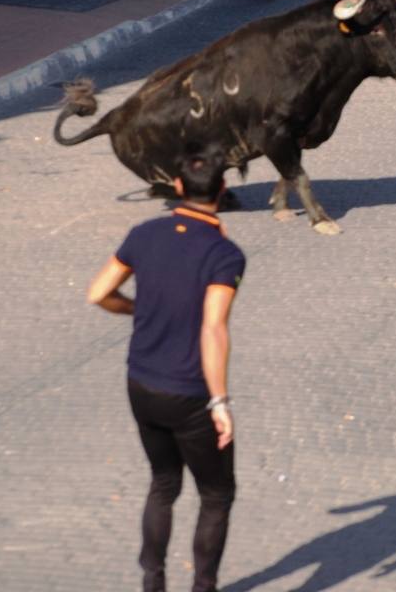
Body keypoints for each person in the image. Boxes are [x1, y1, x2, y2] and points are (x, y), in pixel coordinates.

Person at [87, 145, 246, 592]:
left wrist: (136, 310)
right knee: (216, 494)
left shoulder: (143, 233)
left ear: (177, 187)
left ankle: (152, 582)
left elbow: (98, 293)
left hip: (141, 384)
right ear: (222, 189)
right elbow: (213, 330)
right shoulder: (224, 254)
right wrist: (219, 401)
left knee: (163, 483)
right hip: (190, 393)